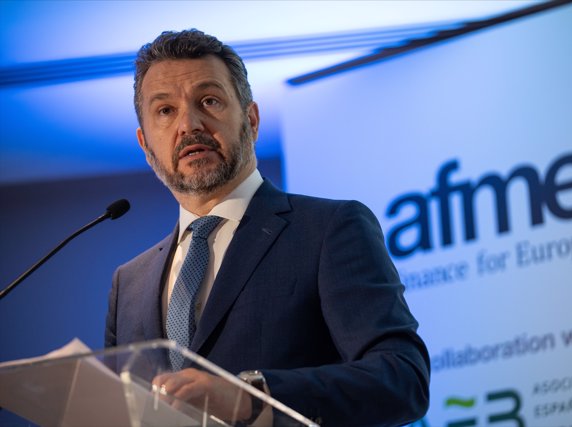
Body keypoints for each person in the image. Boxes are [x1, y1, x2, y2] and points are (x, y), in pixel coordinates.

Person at [105, 29, 430, 426]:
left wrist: (252, 396)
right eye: (165, 111)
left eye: (209, 101)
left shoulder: (328, 230)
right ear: (145, 143)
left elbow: (401, 380)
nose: (189, 124)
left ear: (252, 120)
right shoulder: (130, 284)